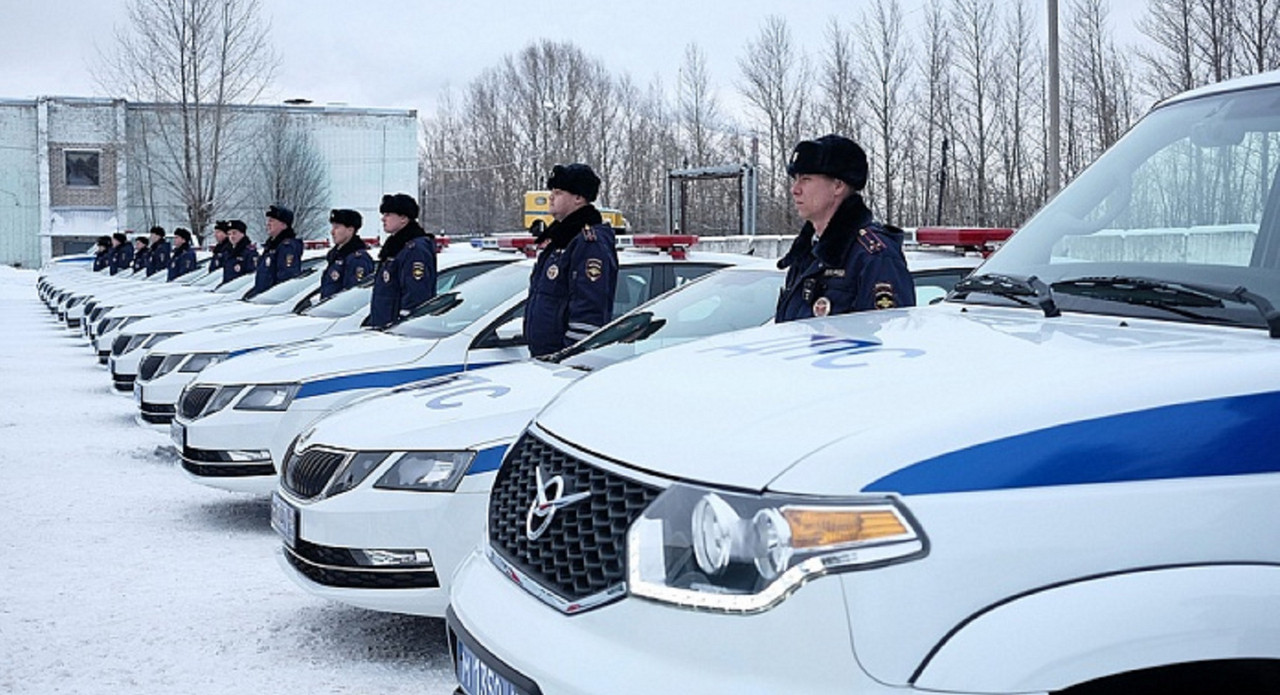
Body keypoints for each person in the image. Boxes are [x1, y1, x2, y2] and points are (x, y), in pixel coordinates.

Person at [775, 134, 915, 323]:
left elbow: (889, 339)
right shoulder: (807, 254)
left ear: (838, 186)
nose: (795, 189)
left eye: (806, 179)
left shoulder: (874, 257)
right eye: (796, 179)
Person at [523, 163, 619, 357]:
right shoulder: (560, 238)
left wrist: (571, 355)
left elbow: (589, 307)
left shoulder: (589, 242)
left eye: (558, 192)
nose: (551, 197)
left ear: (578, 198)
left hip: (563, 360)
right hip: (545, 356)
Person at [369, 193, 436, 328]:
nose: (383, 219)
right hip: (385, 325)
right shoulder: (395, 246)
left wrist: (405, 324)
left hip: (399, 330)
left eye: (388, 214)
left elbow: (416, 294)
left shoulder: (415, 249)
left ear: (403, 218)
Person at [321, 208, 374, 299]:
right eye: (332, 227)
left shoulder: (357, 259)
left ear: (350, 230)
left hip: (340, 311)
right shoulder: (337, 256)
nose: (332, 232)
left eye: (337, 227)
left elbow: (353, 295)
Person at [251, 204, 304, 295]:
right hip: (263, 300)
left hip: (273, 303)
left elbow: (286, 280)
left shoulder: (287, 247)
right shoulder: (271, 246)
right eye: (268, 220)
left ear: (283, 225)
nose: (268, 224)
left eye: (272, 221)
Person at [223, 219, 258, 285]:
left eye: (234, 233)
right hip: (228, 290)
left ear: (242, 234)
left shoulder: (249, 252)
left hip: (240, 291)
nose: (231, 236)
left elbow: (251, 277)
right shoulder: (228, 252)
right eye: (229, 234)